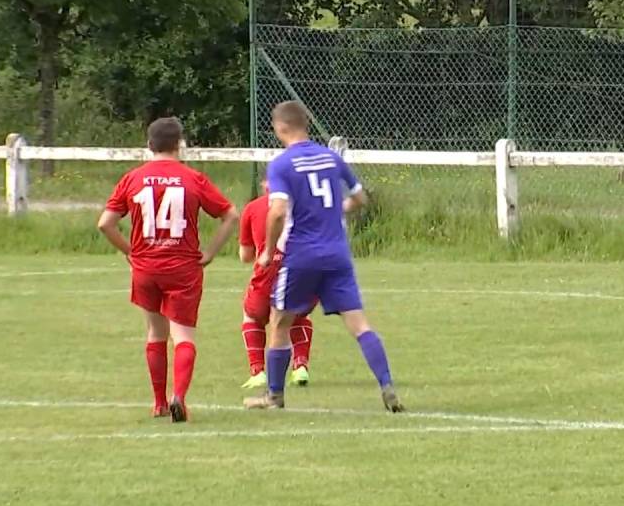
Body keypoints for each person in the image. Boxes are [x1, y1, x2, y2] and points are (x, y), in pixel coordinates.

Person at [244, 101, 403, 412]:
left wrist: (266, 252)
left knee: (279, 320)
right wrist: (335, 210)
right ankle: (387, 385)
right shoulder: (331, 157)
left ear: (279, 127)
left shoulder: (282, 164)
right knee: (359, 324)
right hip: (337, 253)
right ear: (306, 123)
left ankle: (274, 396)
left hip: (301, 255)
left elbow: (276, 212)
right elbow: (359, 198)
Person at [97, 117, 239, 422]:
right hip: (183, 266)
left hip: (146, 266)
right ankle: (180, 397)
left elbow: (105, 224)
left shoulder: (133, 178)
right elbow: (230, 215)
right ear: (180, 145)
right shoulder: (193, 178)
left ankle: (159, 402)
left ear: (149, 145)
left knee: (155, 332)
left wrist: (131, 252)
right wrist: (210, 252)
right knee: (183, 334)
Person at [238, 179, 315, 389]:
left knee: (252, 316)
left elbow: (245, 255)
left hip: (268, 275)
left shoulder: (253, 208)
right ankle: (300, 366)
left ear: (266, 186)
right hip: (304, 274)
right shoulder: (307, 204)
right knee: (299, 315)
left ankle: (257, 371)